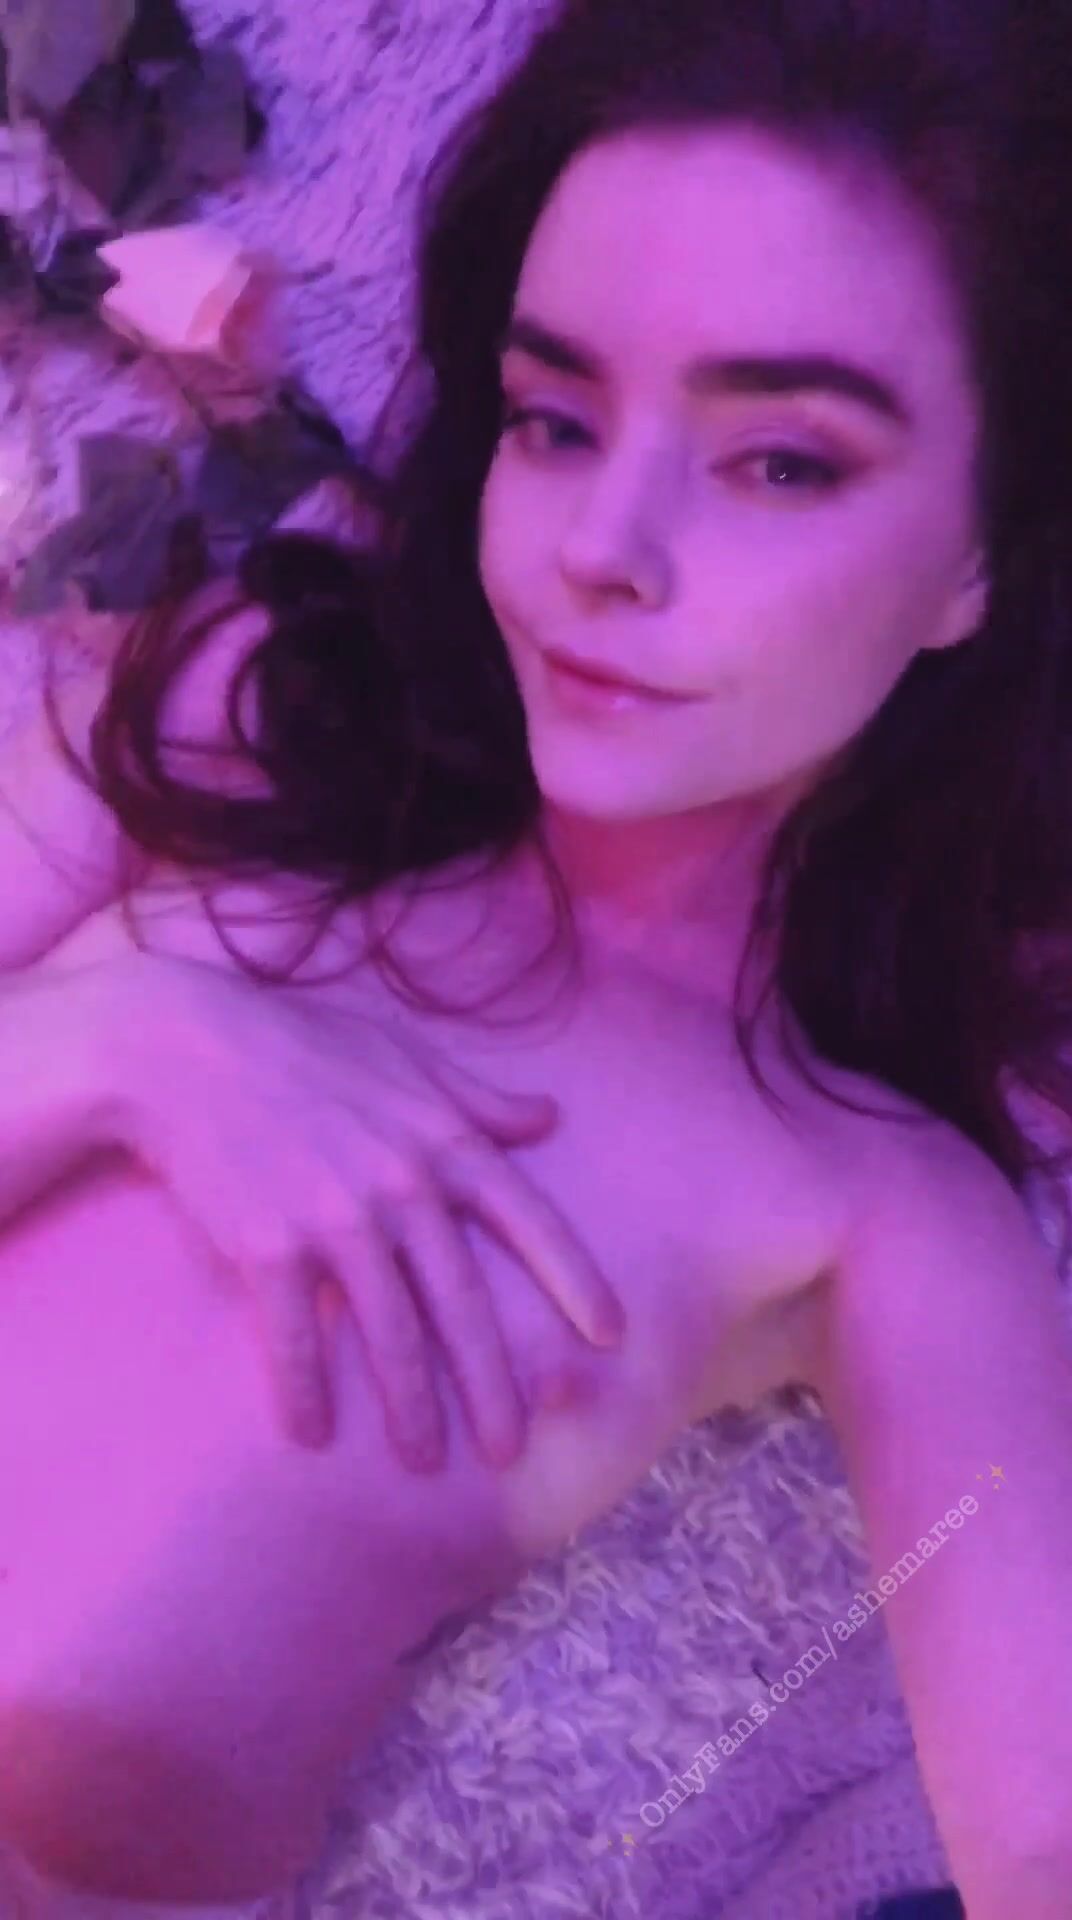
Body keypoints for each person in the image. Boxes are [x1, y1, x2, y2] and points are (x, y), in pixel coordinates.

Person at [3, 0, 1072, 1915]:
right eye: (553, 420)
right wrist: (130, 1047)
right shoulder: (255, 705)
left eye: (781, 463)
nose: (605, 548)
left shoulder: (873, 1200)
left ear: (983, 556)